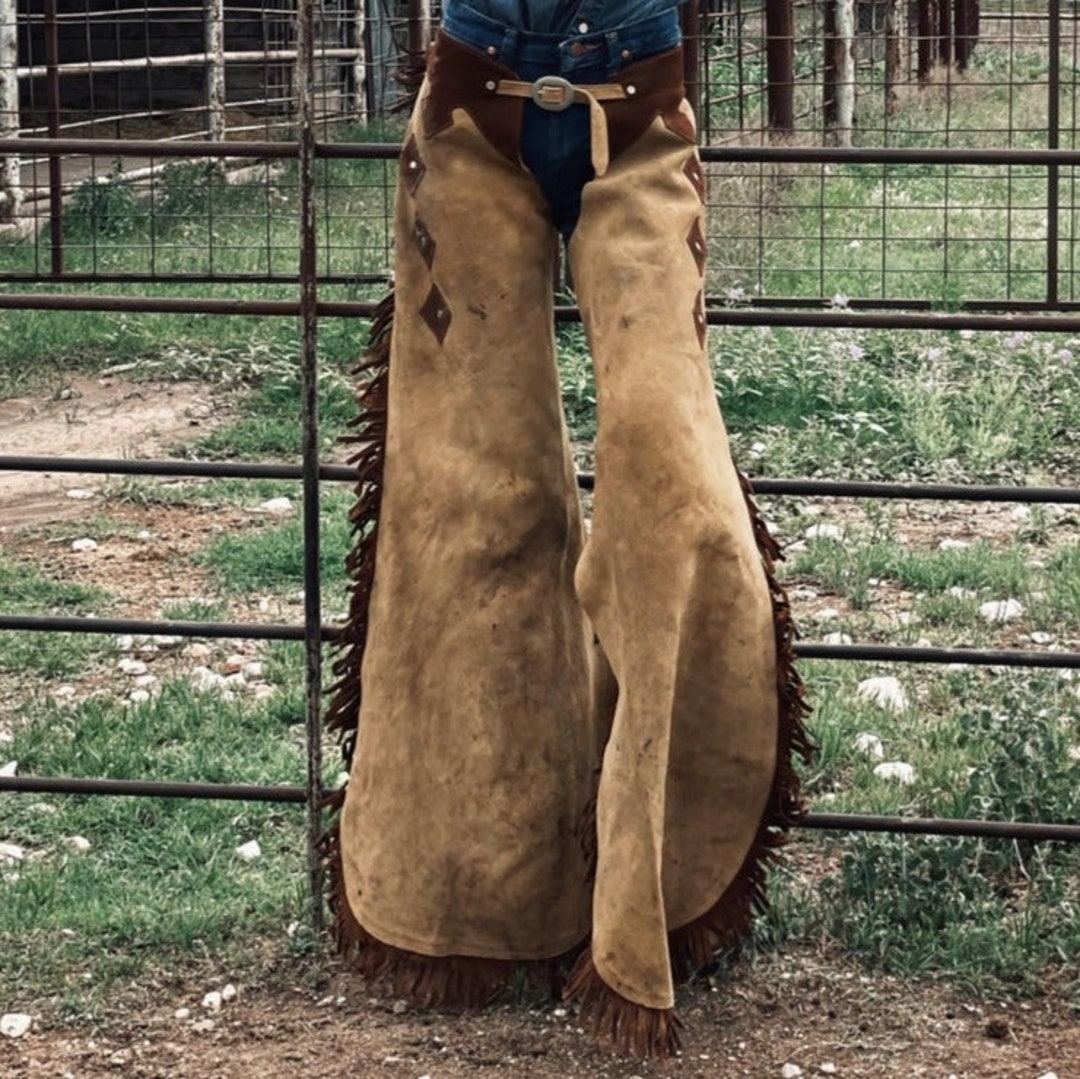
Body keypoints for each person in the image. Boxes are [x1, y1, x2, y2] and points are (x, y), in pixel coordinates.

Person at [323, 0, 812, 1057]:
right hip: (468, 96)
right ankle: (487, 903)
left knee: (670, 484)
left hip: (640, 93)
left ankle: (657, 896)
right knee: (472, 504)